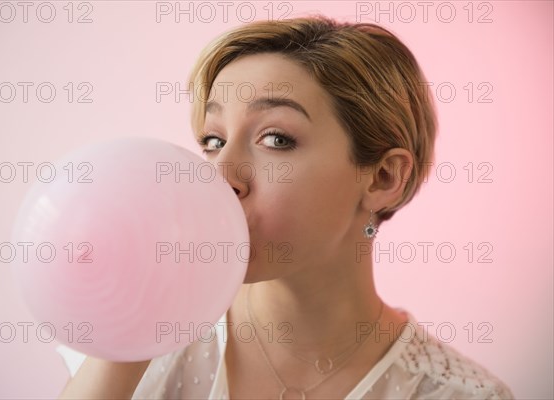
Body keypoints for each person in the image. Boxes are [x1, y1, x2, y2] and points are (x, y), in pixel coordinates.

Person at [58, 15, 514, 399]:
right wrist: (134, 329)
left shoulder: (458, 393)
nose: (220, 175)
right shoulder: (148, 342)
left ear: (382, 178)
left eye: (276, 139)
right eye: (213, 141)